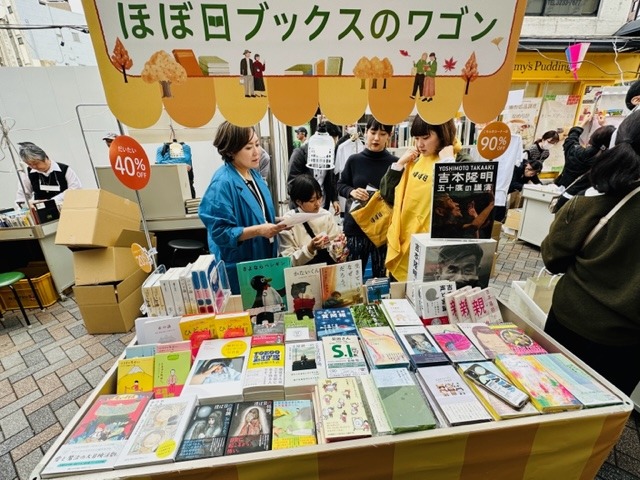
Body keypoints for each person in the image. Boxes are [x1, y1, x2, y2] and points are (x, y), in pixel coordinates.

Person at [540, 112, 640, 396]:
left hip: (569, 321)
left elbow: (552, 259)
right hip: (626, 344)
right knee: (604, 410)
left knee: (551, 395)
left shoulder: (589, 203)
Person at [199, 121, 286, 294]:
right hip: (240, 267)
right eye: (248, 147)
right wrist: (259, 230)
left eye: (257, 144)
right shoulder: (222, 183)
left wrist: (276, 222)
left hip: (262, 258)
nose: (257, 152)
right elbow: (221, 232)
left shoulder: (252, 174)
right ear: (231, 151)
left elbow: (255, 212)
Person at [380, 116, 459, 282]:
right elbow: (388, 195)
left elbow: (461, 202)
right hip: (404, 239)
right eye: (416, 138)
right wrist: (399, 165)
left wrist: (448, 165)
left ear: (442, 134)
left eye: (426, 137)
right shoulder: (415, 159)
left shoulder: (458, 159)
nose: (420, 144)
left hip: (433, 249)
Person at [337, 118, 397, 278]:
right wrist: (351, 191)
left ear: (389, 136)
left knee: (381, 280)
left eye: (382, 134)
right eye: (373, 132)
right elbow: (340, 185)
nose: (376, 138)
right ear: (366, 132)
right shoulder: (354, 160)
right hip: (355, 228)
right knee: (351, 279)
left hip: (382, 229)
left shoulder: (395, 164)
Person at [279, 175, 344, 266]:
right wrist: (309, 249)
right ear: (298, 202)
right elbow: (287, 261)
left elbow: (336, 252)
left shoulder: (326, 215)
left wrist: (339, 245)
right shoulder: (288, 221)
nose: (318, 204)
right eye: (312, 200)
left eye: (319, 198)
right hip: (301, 273)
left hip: (326, 270)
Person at [288, 122, 341, 214]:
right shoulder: (299, 154)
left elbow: (330, 180)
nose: (333, 146)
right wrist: (306, 202)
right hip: (303, 208)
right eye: (331, 142)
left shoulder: (329, 155)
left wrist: (334, 199)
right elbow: (291, 184)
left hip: (322, 206)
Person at [554, 113, 614, 188]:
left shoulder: (575, 152)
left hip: (563, 186)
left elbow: (572, 137)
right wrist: (604, 125)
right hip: (583, 191)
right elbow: (613, 141)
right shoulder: (606, 160)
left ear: (591, 138)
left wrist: (583, 121)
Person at [15, 142, 82, 207]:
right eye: (29, 164)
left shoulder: (64, 169)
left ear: (45, 157)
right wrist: (24, 204)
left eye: (36, 163)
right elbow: (23, 194)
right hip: (42, 210)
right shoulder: (28, 173)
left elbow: (75, 190)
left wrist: (51, 202)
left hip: (67, 207)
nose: (33, 167)